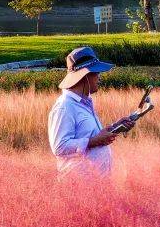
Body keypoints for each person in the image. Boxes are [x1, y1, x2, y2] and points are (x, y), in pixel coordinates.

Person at [47, 46, 134, 176]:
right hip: (77, 187)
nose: (99, 78)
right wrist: (94, 141)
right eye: (96, 73)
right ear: (85, 76)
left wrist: (115, 127)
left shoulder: (85, 103)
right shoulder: (65, 106)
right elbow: (59, 147)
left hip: (96, 185)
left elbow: (91, 135)